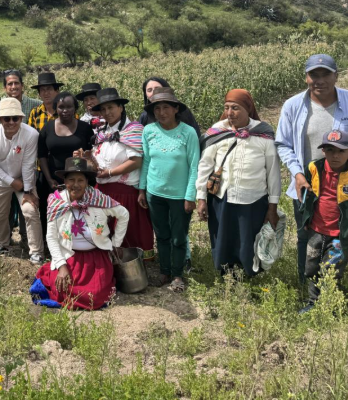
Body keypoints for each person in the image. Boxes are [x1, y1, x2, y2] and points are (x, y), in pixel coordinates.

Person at [275, 54, 348, 283]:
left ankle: (344, 287)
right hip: (308, 187)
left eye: (326, 74)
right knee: (307, 236)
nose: (320, 80)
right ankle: (308, 288)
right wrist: (297, 173)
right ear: (306, 77)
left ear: (336, 76)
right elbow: (283, 144)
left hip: (347, 188)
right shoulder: (293, 106)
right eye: (314, 74)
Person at [196, 89, 281, 278]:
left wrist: (272, 207)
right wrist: (201, 198)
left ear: (248, 109)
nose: (229, 113)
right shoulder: (218, 132)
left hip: (254, 199)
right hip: (222, 198)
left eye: (235, 108)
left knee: (247, 239)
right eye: (226, 108)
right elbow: (204, 166)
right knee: (222, 237)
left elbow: (273, 173)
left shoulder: (263, 135)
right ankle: (226, 274)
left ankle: (248, 275)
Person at [30, 158, 129, 310]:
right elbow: (51, 237)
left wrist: (116, 243)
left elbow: (124, 214)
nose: (75, 185)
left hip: (95, 258)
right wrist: (62, 266)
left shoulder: (98, 199)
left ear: (87, 182)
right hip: (69, 256)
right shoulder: (57, 202)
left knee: (95, 296)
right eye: (71, 180)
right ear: (64, 181)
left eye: (80, 180)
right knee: (61, 290)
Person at [298, 130, 348, 313]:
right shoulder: (314, 169)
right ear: (323, 151)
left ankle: (328, 305)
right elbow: (306, 195)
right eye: (330, 150)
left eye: (341, 151)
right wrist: (305, 217)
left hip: (340, 235)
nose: (335, 155)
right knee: (312, 268)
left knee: (331, 271)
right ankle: (313, 303)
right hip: (316, 231)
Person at [138, 87, 200, 292]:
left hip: (180, 195)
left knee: (178, 237)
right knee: (162, 235)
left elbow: (194, 166)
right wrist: (142, 189)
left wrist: (191, 195)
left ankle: (178, 274)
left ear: (175, 109)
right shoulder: (149, 131)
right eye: (157, 109)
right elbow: (146, 161)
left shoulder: (188, 133)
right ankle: (165, 272)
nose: (161, 112)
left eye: (166, 107)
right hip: (155, 194)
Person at [81, 88, 148, 255]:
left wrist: (110, 173)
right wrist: (87, 158)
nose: (107, 112)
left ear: (121, 107)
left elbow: (136, 161)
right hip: (102, 192)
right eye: (103, 109)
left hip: (124, 194)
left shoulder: (133, 130)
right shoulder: (101, 133)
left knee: (125, 237)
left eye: (111, 107)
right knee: (103, 235)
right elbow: (99, 163)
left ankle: (130, 273)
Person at [0, 97, 44, 264]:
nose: (11, 122)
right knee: (0, 214)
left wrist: (27, 191)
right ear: (0, 119)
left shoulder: (31, 134)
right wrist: (11, 181)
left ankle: (36, 251)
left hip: (25, 179)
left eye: (15, 118)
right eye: (6, 118)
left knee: (30, 211)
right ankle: (3, 243)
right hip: (1, 179)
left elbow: (28, 163)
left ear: (21, 118)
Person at [39, 92, 93, 245]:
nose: (65, 110)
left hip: (78, 181)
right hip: (53, 181)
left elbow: (92, 154)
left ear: (75, 108)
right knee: (52, 213)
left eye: (69, 106)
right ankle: (52, 245)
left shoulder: (85, 128)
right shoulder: (48, 128)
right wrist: (49, 179)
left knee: (77, 213)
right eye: (61, 107)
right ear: (56, 108)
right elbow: (42, 155)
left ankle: (77, 244)